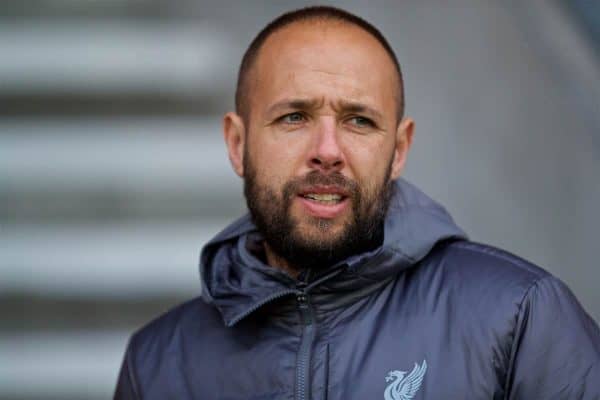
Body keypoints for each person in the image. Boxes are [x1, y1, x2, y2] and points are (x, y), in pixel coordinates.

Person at [114, 6, 600, 399]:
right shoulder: (158, 363)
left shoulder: (521, 319)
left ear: (399, 151)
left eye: (359, 121)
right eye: (294, 117)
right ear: (237, 144)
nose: (327, 150)